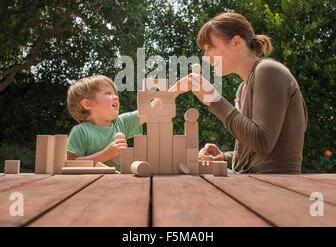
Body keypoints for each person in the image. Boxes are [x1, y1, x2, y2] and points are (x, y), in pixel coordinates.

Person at [174, 12, 308, 174]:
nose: (206, 57)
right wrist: (224, 157)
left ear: (236, 42)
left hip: (278, 188)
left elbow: (262, 143)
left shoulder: (269, 71)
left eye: (210, 48)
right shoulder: (242, 89)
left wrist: (214, 100)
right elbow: (253, 151)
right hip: (256, 184)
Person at [66, 75, 143, 168]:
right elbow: (70, 163)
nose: (116, 97)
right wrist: (106, 155)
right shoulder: (80, 131)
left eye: (115, 94)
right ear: (88, 104)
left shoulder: (120, 123)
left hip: (119, 182)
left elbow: (147, 112)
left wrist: (164, 97)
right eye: (108, 93)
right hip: (91, 182)